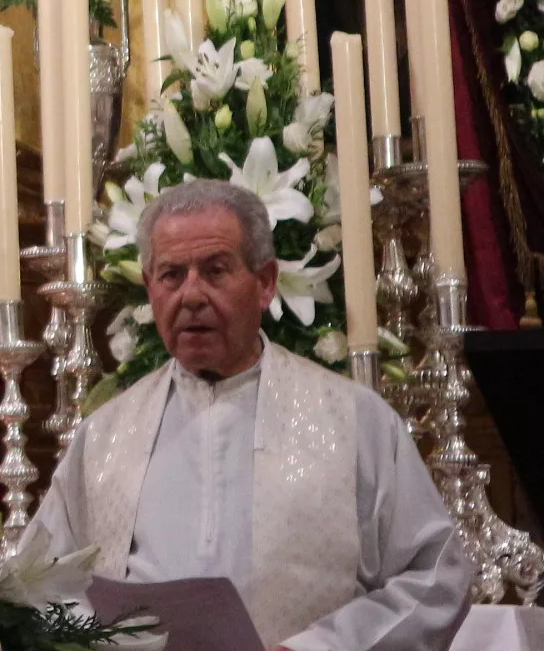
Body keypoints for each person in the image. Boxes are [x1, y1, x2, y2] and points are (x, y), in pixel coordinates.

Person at [30, 180, 471, 650]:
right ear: (149, 288)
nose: (191, 295)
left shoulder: (353, 420)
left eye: (215, 270)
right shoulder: (105, 436)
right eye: (171, 275)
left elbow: (435, 575)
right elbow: (38, 579)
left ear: (265, 283)